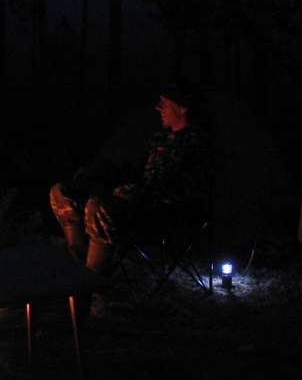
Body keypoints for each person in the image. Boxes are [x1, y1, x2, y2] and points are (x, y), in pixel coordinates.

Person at [49, 80, 212, 280]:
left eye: (164, 104)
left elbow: (183, 191)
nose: (158, 108)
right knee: (62, 192)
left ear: (183, 108)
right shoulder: (162, 138)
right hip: (136, 200)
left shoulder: (197, 144)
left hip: (162, 213)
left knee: (98, 207)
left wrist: (135, 191)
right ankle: (78, 260)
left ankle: (91, 280)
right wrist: (97, 174)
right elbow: (135, 169)